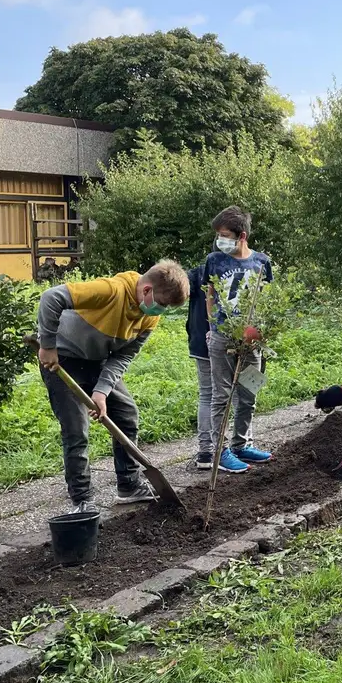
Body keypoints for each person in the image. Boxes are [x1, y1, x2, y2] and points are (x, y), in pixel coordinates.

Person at [36, 260, 189, 514]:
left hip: (98, 361)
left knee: (126, 415)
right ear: (147, 290)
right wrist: (48, 346)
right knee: (76, 429)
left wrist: (102, 390)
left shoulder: (148, 318)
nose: (160, 311)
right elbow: (51, 297)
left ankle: (128, 485)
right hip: (61, 359)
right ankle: (81, 499)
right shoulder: (111, 290)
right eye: (161, 304)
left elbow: (123, 357)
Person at [198, 206, 276, 474]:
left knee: (250, 391)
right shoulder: (215, 260)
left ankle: (242, 443)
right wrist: (212, 326)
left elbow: (267, 300)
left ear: (241, 236)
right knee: (221, 396)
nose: (220, 241)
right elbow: (209, 294)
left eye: (224, 235)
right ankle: (220, 451)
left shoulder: (261, 262)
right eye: (218, 235)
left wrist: (261, 332)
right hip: (222, 338)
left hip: (252, 341)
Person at [184, 262, 215, 469]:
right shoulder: (246, 268)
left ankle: (207, 452)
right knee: (236, 394)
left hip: (201, 341)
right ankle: (237, 445)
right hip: (213, 343)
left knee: (208, 394)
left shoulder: (198, 273)